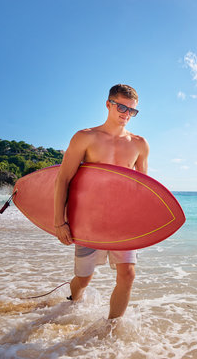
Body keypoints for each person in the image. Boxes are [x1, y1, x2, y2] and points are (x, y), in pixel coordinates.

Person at [53, 84, 149, 319]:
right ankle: (72, 302)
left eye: (132, 111)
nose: (126, 114)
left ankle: (111, 330)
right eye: (121, 107)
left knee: (128, 274)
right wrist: (59, 222)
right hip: (89, 218)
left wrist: (145, 226)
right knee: (84, 277)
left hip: (123, 220)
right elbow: (63, 179)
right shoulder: (85, 137)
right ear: (108, 104)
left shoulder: (139, 144)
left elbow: (143, 189)